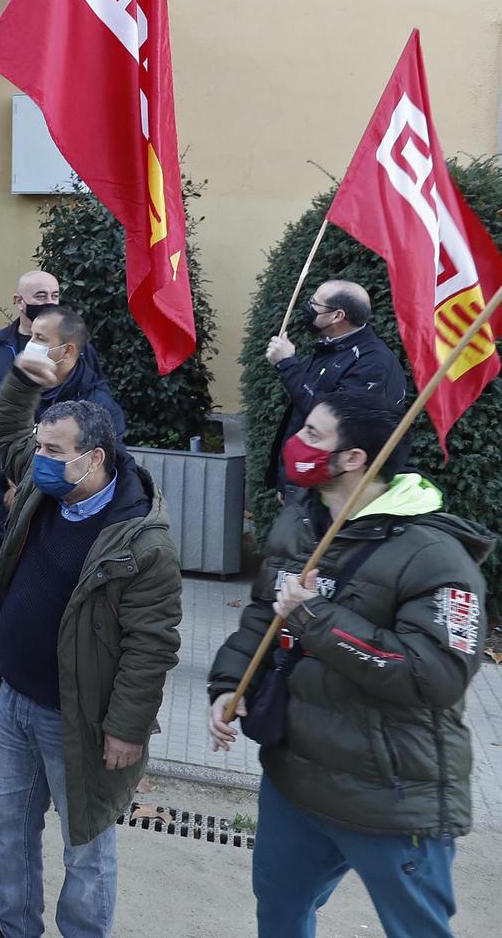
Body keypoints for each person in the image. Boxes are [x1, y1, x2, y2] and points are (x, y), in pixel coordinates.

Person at [208, 392, 490, 938]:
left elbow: (434, 675)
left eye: (313, 434)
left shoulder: (436, 555)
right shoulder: (301, 521)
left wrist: (314, 616)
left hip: (392, 798)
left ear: (354, 458)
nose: (296, 443)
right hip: (294, 780)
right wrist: (228, 685)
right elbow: (264, 615)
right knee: (280, 913)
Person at [0, 369, 180, 938]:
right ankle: (13, 927)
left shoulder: (141, 540)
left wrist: (127, 728)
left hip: (79, 718)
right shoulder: (40, 487)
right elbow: (3, 428)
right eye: (39, 447)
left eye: (53, 451)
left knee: (85, 845)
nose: (38, 459)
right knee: (8, 825)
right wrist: (21, 379)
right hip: (16, 701)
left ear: (94, 458)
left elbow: (151, 644)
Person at [0, 304, 126, 767]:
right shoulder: (17, 379)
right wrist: (8, 479)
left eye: (40, 336)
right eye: (28, 331)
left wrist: (35, 490)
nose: (29, 341)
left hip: (59, 545)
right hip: (6, 532)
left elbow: (104, 475)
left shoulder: (98, 406)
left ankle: (51, 730)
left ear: (67, 350)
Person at [263, 280, 405, 493]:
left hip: (331, 485)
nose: (308, 307)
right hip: (302, 477)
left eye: (315, 304)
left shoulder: (373, 362)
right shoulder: (331, 346)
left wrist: (288, 364)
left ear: (338, 316)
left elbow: (331, 417)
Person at [0, 271, 63, 458]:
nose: (49, 302)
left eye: (54, 296)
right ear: (19, 301)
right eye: (40, 296)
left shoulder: (69, 348)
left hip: (52, 462)